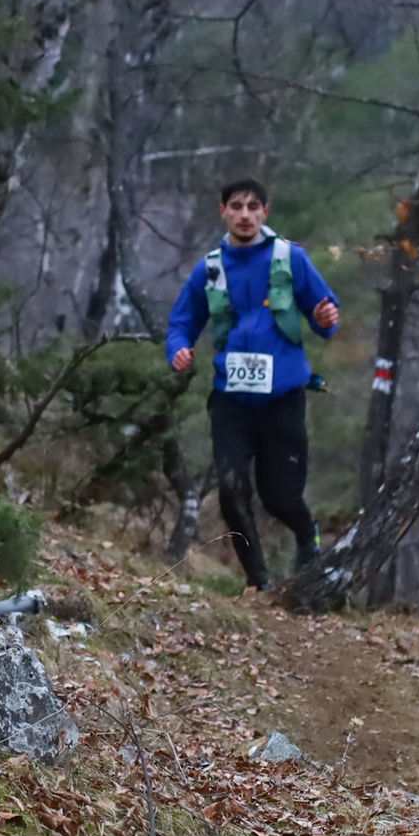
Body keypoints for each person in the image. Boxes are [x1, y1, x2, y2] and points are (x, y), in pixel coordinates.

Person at [164, 178, 343, 591]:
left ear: (266, 212)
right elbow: (182, 323)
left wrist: (326, 319)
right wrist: (178, 349)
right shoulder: (209, 268)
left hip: (282, 399)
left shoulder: (290, 258)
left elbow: (325, 313)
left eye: (253, 207)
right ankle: (258, 580)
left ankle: (306, 534)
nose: (245, 215)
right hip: (232, 400)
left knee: (279, 497)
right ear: (223, 210)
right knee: (230, 490)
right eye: (236, 206)